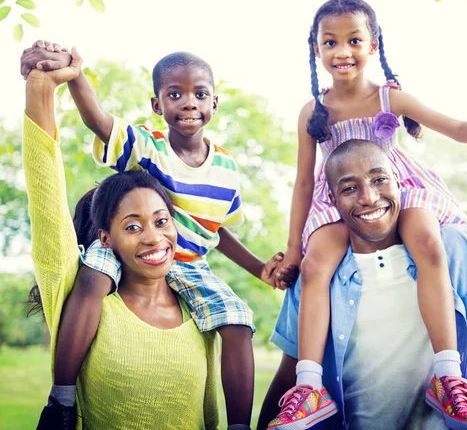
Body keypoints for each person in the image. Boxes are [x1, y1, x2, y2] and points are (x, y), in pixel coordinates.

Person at [267, 0, 467, 430]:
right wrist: (293, 248)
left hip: (397, 188)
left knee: (429, 243)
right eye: (330, 42)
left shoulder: (390, 97)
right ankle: (309, 385)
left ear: (373, 46)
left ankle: (448, 376)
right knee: (317, 267)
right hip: (340, 198)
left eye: (354, 40)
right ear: (316, 49)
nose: (342, 51)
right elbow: (301, 181)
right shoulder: (312, 111)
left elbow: (459, 129)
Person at [21, 42, 294, 430]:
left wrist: (260, 269)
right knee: (92, 277)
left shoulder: (227, 168)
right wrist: (76, 76)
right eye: (175, 94)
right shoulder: (149, 146)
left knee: (238, 320)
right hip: (127, 253)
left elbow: (218, 230)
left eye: (200, 94)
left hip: (190, 265)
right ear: (157, 104)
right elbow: (99, 121)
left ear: (214, 104)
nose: (188, 102)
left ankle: (238, 425)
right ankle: (62, 398)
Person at [260, 135, 467, 430]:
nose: (369, 198)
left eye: (380, 181)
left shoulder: (464, 249)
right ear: (332, 200)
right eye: (350, 188)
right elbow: (290, 375)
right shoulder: (317, 273)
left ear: (399, 184)